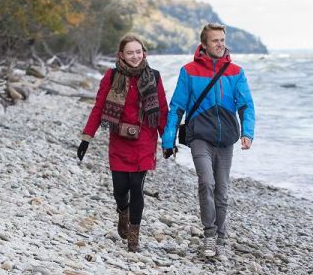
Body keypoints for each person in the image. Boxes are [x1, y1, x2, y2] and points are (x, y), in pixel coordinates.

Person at [160, 23, 255, 259]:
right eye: (215, 40)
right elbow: (177, 108)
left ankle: (221, 237)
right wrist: (168, 141)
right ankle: (210, 235)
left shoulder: (236, 72)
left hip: (226, 139)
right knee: (207, 182)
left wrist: (247, 132)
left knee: (222, 189)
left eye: (222, 39)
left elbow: (246, 105)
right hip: (200, 136)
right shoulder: (189, 71)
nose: (220, 44)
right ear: (204, 44)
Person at [77, 35, 168, 252]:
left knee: (137, 186)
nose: (135, 56)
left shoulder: (154, 77)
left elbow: (162, 110)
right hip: (119, 139)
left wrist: (167, 140)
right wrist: (86, 139)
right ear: (121, 55)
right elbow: (99, 108)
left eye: (138, 52)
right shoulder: (111, 75)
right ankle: (122, 212)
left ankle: (134, 238)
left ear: (144, 53)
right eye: (130, 53)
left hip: (145, 139)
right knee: (120, 189)